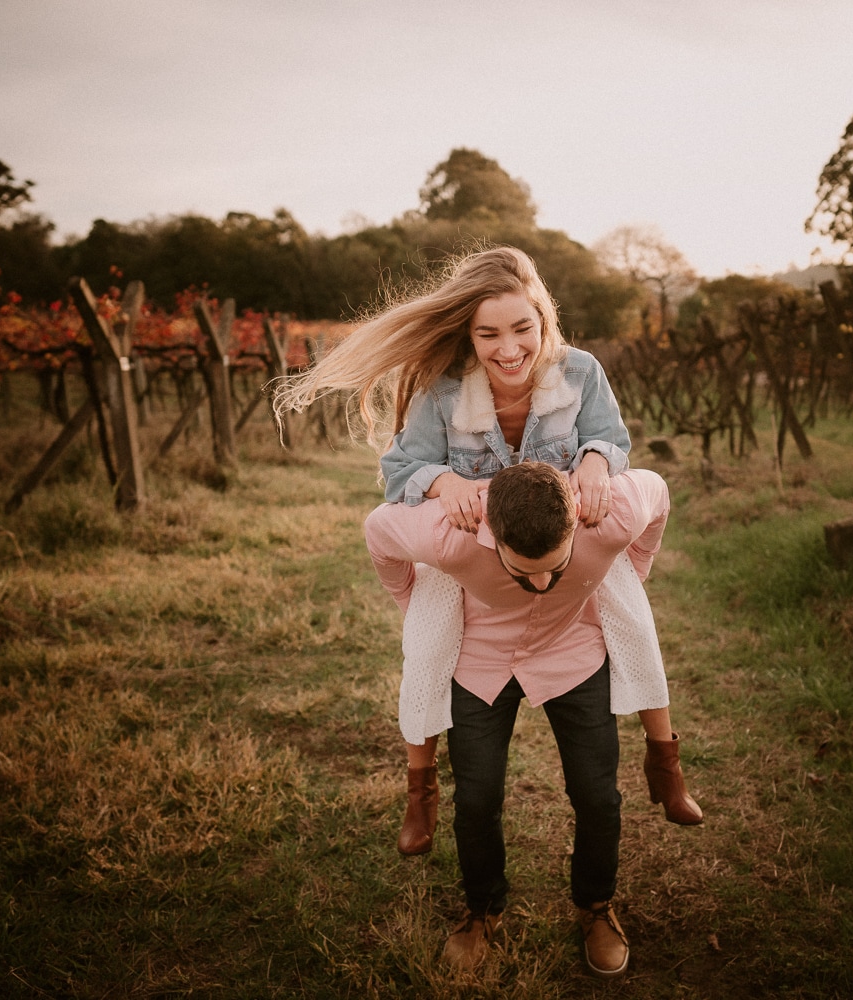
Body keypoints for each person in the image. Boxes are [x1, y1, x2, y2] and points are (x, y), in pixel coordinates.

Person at [272, 246, 701, 860]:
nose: (508, 349)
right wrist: (446, 484)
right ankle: (420, 789)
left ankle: (664, 759)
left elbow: (611, 437)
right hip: (475, 549)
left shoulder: (581, 372)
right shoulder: (445, 391)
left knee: (632, 619)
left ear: (544, 321)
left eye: (523, 329)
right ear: (468, 335)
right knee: (425, 647)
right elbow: (400, 470)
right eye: (488, 333)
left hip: (563, 538)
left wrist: (598, 465)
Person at [364, 460, 673, 977]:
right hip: (481, 660)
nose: (543, 580)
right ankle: (483, 910)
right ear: (491, 531)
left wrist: (631, 573)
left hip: (573, 652)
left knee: (598, 794)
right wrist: (411, 601)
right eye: (522, 569)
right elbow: (378, 532)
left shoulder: (610, 514)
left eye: (555, 565)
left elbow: (658, 495)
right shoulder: (449, 535)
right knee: (478, 797)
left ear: (577, 520)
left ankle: (596, 907)